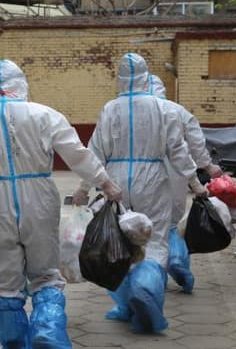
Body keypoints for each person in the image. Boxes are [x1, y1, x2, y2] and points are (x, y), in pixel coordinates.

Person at [0, 59, 122, 348]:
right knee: (45, 273)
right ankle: (48, 333)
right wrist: (106, 183)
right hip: (39, 197)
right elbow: (77, 153)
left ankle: (14, 342)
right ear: (22, 84)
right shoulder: (44, 114)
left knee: (6, 279)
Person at [73, 53, 206, 334]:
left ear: (120, 79)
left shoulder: (110, 109)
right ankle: (145, 288)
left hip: (116, 181)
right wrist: (195, 183)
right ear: (146, 77)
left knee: (116, 241)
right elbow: (178, 151)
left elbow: (95, 150)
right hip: (153, 180)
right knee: (154, 240)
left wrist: (85, 187)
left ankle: (124, 304)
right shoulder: (163, 108)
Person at [148, 73, 222, 294]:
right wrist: (206, 166)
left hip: (144, 173)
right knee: (171, 224)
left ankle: (154, 277)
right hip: (177, 172)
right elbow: (195, 142)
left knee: (149, 228)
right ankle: (178, 261)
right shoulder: (178, 111)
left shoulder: (132, 110)